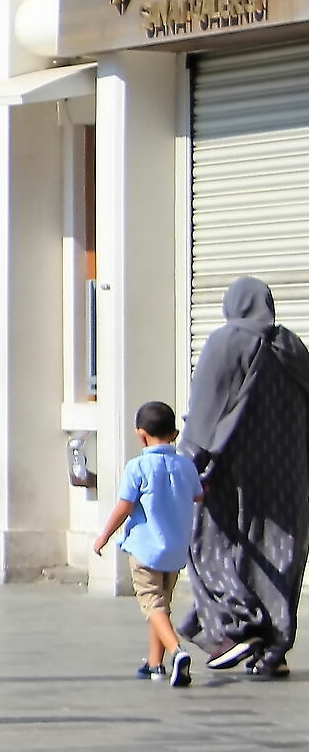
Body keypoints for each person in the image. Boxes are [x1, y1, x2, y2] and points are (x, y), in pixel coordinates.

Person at [178, 277, 309, 678]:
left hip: (231, 473)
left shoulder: (227, 341)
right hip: (287, 474)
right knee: (278, 555)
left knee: (207, 547)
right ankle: (274, 650)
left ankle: (239, 629)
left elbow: (205, 410)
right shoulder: (293, 347)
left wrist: (188, 462)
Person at [91, 400, 202, 688]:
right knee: (162, 604)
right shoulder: (185, 466)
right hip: (176, 550)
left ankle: (177, 653)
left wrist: (104, 536)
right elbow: (198, 495)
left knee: (152, 604)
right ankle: (155, 663)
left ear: (141, 434)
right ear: (175, 434)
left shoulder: (137, 467)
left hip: (145, 549)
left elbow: (124, 507)